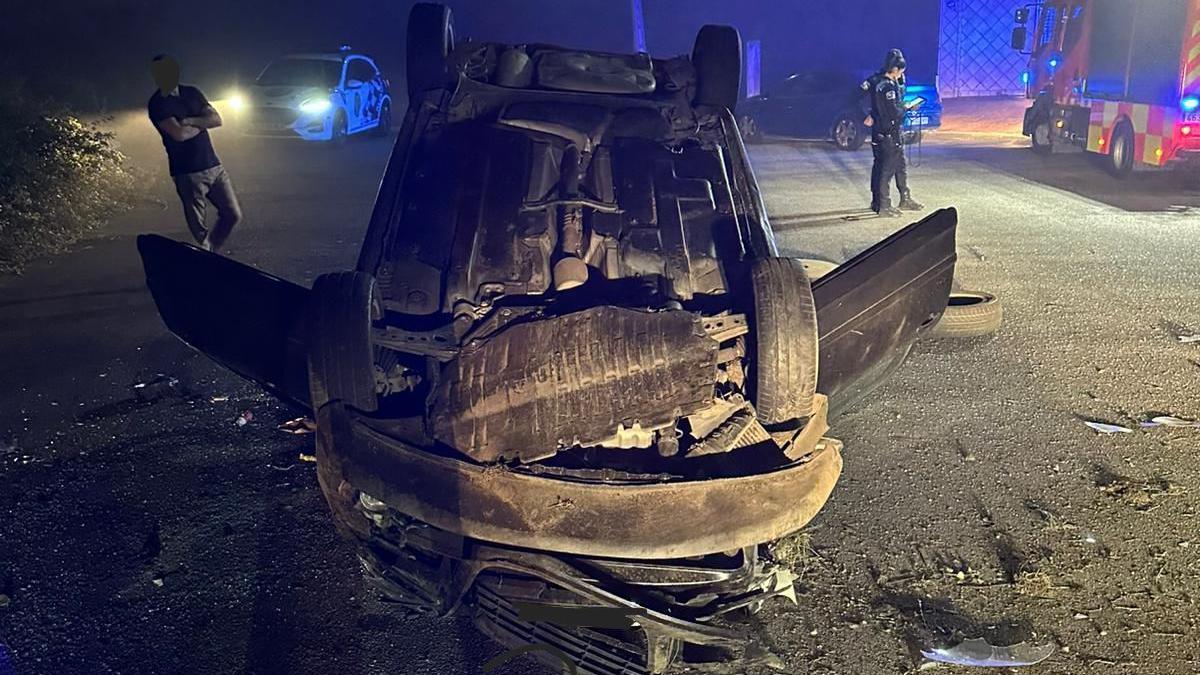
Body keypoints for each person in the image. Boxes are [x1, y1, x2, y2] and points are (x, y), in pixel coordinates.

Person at [147, 54, 242, 251]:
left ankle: (210, 253)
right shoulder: (157, 104)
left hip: (213, 165)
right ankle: (206, 259)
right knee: (199, 229)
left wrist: (190, 121)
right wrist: (202, 122)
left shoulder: (192, 93)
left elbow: (217, 120)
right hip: (187, 172)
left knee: (232, 214)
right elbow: (179, 134)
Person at [867, 50, 921, 217]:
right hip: (888, 133)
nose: (901, 75)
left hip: (889, 132)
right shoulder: (886, 85)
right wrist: (906, 107)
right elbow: (893, 112)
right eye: (901, 71)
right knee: (885, 170)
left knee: (900, 167)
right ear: (895, 69)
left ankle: (904, 198)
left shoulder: (886, 83)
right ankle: (883, 205)